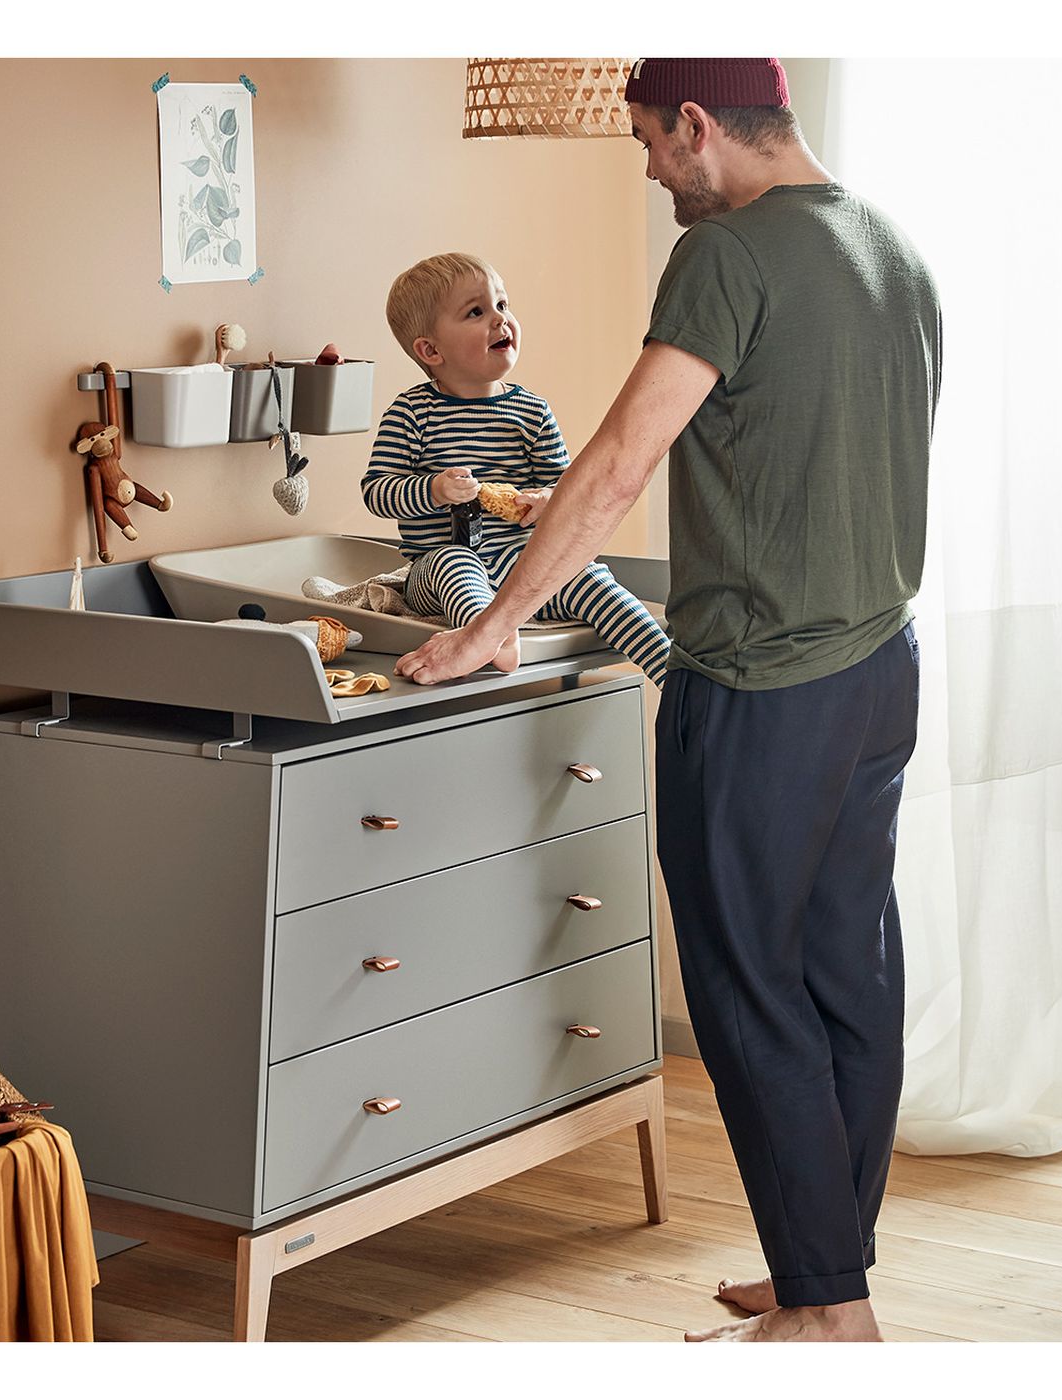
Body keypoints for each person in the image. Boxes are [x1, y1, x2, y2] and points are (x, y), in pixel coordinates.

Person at [395, 58, 941, 1344]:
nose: (647, 169)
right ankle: (829, 1269)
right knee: (846, 975)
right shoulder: (889, 245)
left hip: (761, 686)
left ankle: (822, 1312)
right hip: (877, 669)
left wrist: (494, 623)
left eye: (646, 142)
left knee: (747, 988)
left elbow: (618, 460)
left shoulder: (728, 255)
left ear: (697, 126)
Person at [363, 252, 671, 685]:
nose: (499, 320)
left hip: (525, 566)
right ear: (431, 350)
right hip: (436, 568)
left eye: (502, 305)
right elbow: (377, 491)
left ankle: (673, 674)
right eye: (476, 311)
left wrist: (545, 500)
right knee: (455, 562)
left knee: (589, 576)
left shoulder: (531, 412)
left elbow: (566, 492)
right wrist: (432, 490)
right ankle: (493, 637)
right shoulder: (412, 413)